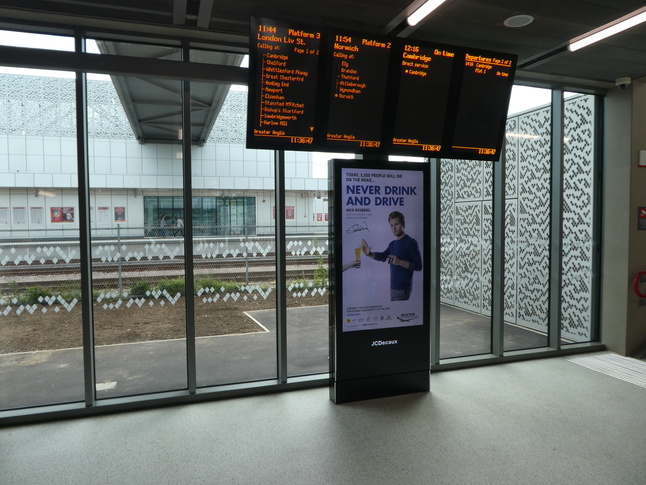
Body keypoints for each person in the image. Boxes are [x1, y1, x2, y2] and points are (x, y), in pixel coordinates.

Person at [361, 211, 422, 301]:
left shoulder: (411, 242)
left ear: (402, 224)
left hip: (403, 289)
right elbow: (382, 256)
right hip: (393, 288)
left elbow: (418, 266)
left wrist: (400, 262)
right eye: (391, 225)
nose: (394, 228)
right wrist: (369, 254)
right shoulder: (392, 244)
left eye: (396, 224)